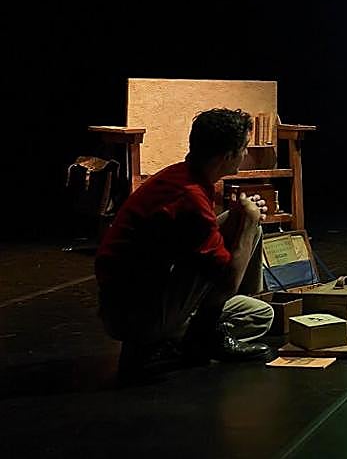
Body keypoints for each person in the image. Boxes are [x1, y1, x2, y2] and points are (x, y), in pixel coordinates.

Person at [95, 108, 275, 378]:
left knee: (260, 314)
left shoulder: (187, 177)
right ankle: (180, 344)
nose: (246, 155)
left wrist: (244, 220)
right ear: (228, 156)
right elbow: (227, 278)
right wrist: (248, 222)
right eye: (244, 149)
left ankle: (179, 340)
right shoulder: (188, 195)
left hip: (146, 299)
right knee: (242, 229)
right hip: (134, 314)